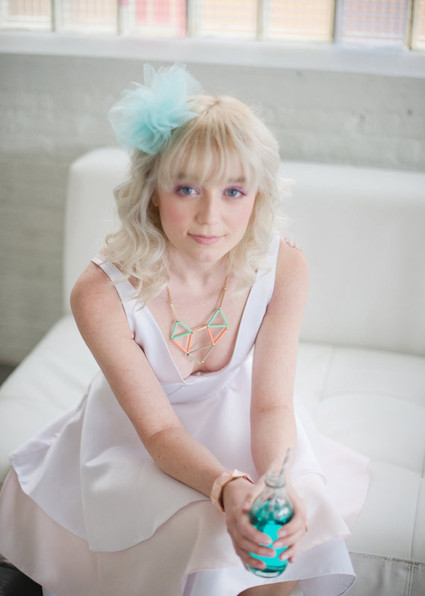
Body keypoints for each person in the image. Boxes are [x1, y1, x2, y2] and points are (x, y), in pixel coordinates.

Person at [0, 64, 369, 596]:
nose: (210, 217)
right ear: (153, 190)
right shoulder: (100, 293)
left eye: (234, 191)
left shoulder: (284, 267)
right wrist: (226, 487)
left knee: (282, 547)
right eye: (188, 188)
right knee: (212, 534)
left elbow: (270, 406)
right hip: (137, 435)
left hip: (245, 418)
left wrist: (273, 483)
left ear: (259, 195)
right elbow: (159, 433)